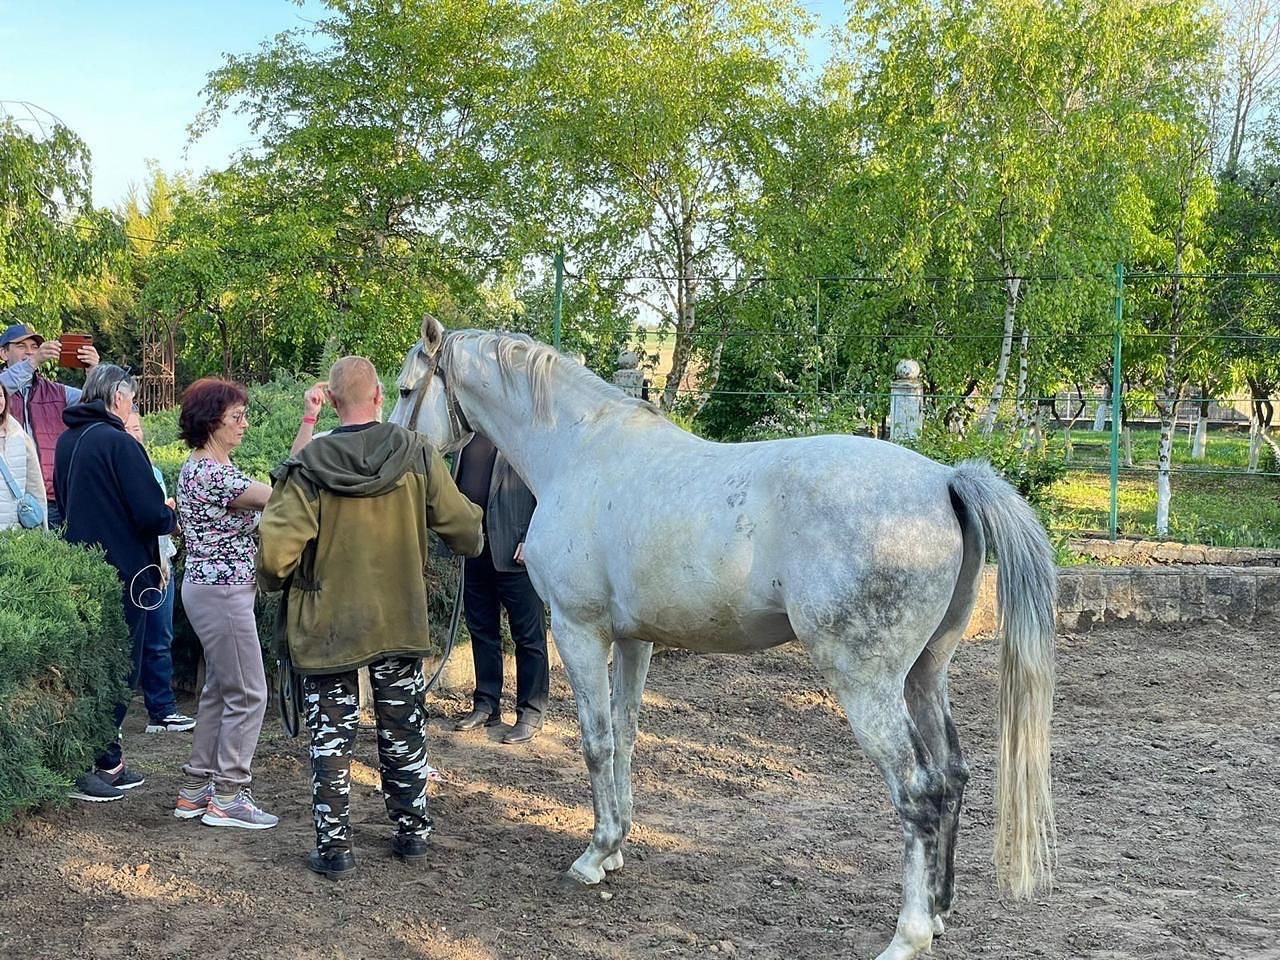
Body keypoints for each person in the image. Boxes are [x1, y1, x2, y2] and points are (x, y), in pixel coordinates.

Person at [258, 356, 483, 880]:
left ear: (333, 402)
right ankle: (413, 834)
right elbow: (464, 532)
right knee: (404, 728)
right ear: (380, 395)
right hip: (396, 620)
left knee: (331, 738)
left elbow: (273, 558)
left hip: (327, 625)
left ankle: (335, 850)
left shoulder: (310, 467)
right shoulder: (417, 455)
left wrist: (279, 583)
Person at [53, 364, 177, 802]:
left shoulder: (68, 439)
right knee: (121, 668)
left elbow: (64, 500)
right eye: (133, 399)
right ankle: (90, 762)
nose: (134, 406)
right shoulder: (120, 443)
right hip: (128, 572)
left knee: (91, 665)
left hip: (82, 568)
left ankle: (107, 759)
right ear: (119, 399)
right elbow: (150, 513)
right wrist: (172, 515)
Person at [172, 378, 283, 830]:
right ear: (211, 422)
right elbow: (283, 497)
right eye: (236, 417)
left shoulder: (205, 468)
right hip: (222, 594)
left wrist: (311, 420)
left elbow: (280, 484)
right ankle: (230, 795)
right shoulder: (212, 474)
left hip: (212, 590)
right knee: (250, 692)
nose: (244, 425)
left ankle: (197, 787)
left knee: (220, 690)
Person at [453, 432, 549, 745]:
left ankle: (530, 711)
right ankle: (485, 704)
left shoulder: (522, 436)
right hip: (475, 549)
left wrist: (533, 537)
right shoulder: (465, 438)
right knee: (482, 631)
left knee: (528, 637)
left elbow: (547, 488)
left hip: (516, 553)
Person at [122, 410, 196, 734]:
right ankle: (116, 720)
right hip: (134, 566)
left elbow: (163, 519)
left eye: (138, 428)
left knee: (160, 638)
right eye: (128, 428)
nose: (135, 434)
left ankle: (162, 710)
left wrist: (171, 518)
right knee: (127, 643)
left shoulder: (151, 470)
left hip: (161, 562)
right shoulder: (117, 470)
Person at [0, 322, 99, 527]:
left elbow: (93, 404)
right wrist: (33, 361)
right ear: (3, 353)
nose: (29, 352)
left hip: (52, 498)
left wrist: (93, 372)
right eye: (21, 346)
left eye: (34, 347)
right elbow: (5, 384)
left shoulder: (58, 392)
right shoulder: (3, 386)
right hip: (6, 498)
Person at [0, 382, 47, 531]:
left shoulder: (19, 435)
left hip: (15, 535)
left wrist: (43, 531)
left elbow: (35, 486)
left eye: (0, 395)